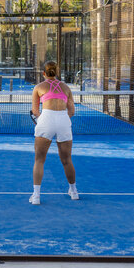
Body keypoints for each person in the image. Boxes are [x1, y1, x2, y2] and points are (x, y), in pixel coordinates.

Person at [29, 60, 77, 204]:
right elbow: (72, 111)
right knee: (67, 160)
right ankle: (74, 192)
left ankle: (36, 196)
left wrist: (42, 119)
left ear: (44, 73)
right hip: (63, 120)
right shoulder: (66, 87)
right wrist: (61, 119)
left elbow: (35, 111)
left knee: (39, 160)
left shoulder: (38, 87)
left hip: (46, 120)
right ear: (56, 72)